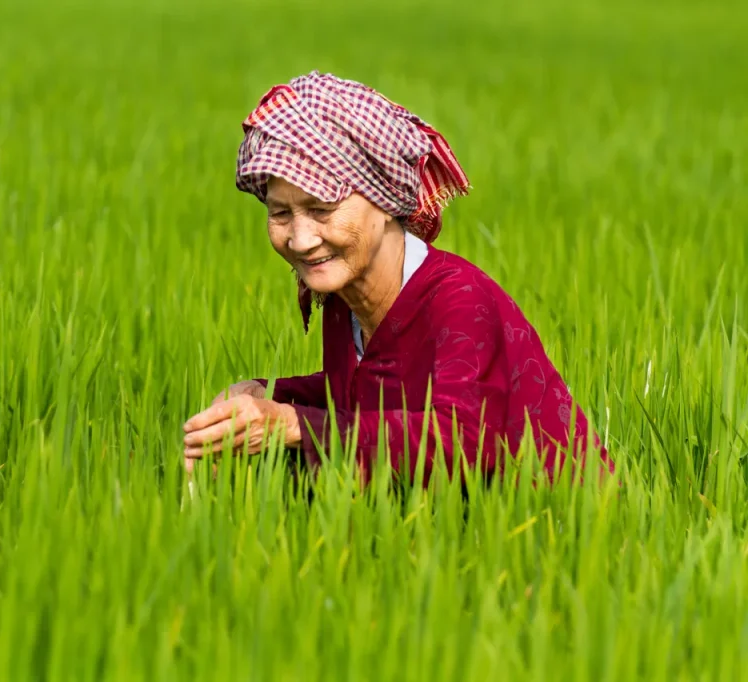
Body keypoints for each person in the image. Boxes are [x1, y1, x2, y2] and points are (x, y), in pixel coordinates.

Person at [183, 71, 613, 486]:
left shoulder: (460, 300)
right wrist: (268, 394)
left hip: (551, 527)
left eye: (321, 209)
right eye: (280, 213)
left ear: (384, 200)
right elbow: (368, 393)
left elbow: (460, 442)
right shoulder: (341, 296)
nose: (300, 238)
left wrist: (295, 424)